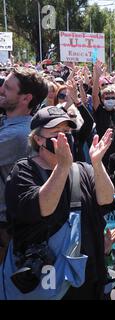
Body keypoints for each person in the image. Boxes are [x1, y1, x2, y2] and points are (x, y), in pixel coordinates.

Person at [5, 106, 115, 299]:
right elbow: (43, 208)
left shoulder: (83, 170)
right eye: (57, 133)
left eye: (67, 132)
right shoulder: (24, 171)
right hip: (46, 282)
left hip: (87, 280)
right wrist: (62, 166)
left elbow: (106, 200)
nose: (65, 138)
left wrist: (97, 164)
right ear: (38, 139)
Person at [0, 67, 48, 262]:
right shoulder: (8, 124)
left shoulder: (19, 135)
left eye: (7, 88)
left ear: (26, 98)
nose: (1, 89)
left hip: (4, 228)